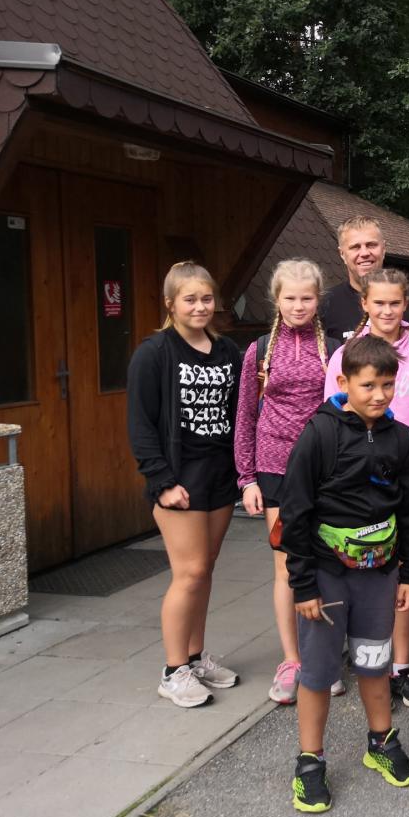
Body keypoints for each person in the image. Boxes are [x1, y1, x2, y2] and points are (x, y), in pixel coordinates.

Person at [278, 335, 409, 810]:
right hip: (325, 577)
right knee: (318, 672)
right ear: (343, 382)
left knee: (374, 662)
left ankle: (381, 742)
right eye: (368, 385)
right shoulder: (319, 434)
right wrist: (302, 584)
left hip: (379, 576)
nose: (379, 395)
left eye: (387, 385)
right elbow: (295, 512)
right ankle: (310, 762)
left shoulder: (400, 438)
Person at [324, 268, 409, 711]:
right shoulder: (345, 356)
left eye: (395, 302)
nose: (387, 310)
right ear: (365, 304)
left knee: (405, 569)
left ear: (406, 304)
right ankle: (370, 661)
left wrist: (407, 463)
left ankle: (401, 666)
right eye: (378, 302)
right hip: (361, 485)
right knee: (369, 570)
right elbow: (333, 415)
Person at [127, 261, 243, 708]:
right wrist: (161, 481)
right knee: (189, 572)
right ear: (170, 303)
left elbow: (238, 412)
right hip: (179, 479)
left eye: (206, 298)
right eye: (190, 299)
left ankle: (195, 658)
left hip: (219, 476)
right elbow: (140, 424)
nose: (200, 307)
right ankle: (173, 670)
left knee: (205, 570)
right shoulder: (154, 353)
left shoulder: (227, 351)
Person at [234, 259, 343, 705]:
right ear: (276, 299)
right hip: (275, 469)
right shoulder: (259, 351)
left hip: (324, 469)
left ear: (319, 300)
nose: (299, 306)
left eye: (307, 298)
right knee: (286, 566)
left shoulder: (333, 350)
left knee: (327, 562)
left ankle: (324, 658)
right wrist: (247, 478)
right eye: (290, 298)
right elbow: (245, 415)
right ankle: (292, 659)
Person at [320, 215, 409, 345]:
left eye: (371, 245)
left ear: (383, 249)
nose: (364, 253)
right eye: (355, 247)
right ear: (342, 254)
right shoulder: (326, 303)